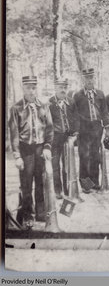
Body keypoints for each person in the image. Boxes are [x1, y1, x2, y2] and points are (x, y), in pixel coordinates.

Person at [9, 75, 54, 229]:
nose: (31, 91)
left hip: (40, 149)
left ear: (36, 88)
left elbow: (49, 129)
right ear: (23, 88)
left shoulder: (44, 106)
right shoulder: (16, 108)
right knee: (26, 184)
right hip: (25, 150)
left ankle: (41, 212)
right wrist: (17, 156)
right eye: (28, 87)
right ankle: (28, 215)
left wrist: (47, 147)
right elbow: (14, 134)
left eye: (33, 87)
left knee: (41, 181)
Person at [73, 68, 109, 193]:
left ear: (94, 79)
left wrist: (107, 128)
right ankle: (86, 185)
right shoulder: (78, 96)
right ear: (83, 79)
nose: (89, 80)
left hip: (97, 128)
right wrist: (77, 130)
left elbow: (105, 112)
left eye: (91, 78)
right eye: (86, 78)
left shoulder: (100, 94)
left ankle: (94, 183)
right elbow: (75, 114)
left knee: (95, 156)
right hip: (84, 129)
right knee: (84, 156)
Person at [48, 77, 79, 199]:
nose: (63, 90)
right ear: (55, 88)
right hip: (55, 139)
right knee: (55, 166)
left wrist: (75, 134)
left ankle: (68, 190)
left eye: (65, 87)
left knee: (67, 165)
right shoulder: (50, 103)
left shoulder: (71, 102)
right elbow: (46, 123)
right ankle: (57, 190)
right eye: (60, 87)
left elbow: (76, 118)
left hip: (68, 138)